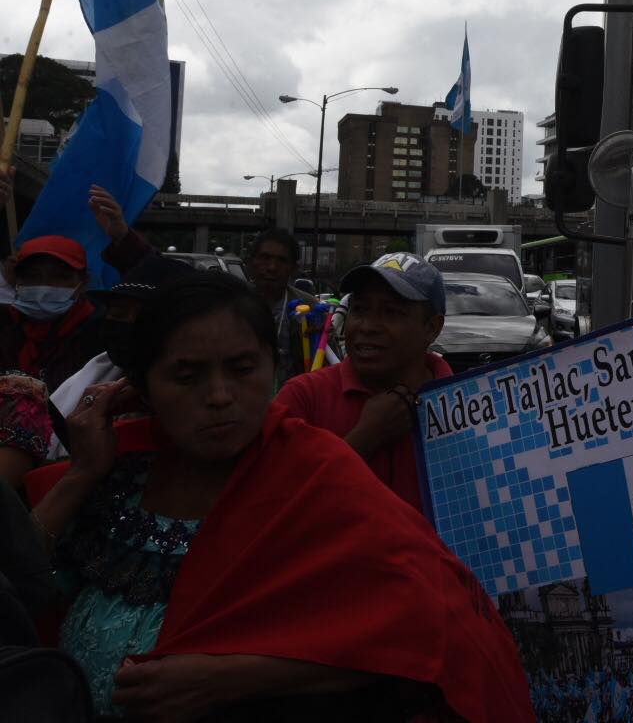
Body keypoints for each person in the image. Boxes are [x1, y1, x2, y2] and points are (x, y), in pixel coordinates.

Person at [26, 272, 530, 721]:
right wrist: (82, 475)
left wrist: (229, 678)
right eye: (187, 375)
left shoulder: (315, 475)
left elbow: (435, 629)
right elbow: (18, 586)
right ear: (140, 388)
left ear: (272, 366)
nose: (220, 395)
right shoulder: (113, 475)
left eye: (243, 368)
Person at [275, 252, 451, 513]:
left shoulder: (467, 408)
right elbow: (272, 508)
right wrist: (364, 439)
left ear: (432, 328)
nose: (367, 326)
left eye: (391, 312)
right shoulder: (304, 399)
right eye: (359, 309)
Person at [92, 188, 318, 386]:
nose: (271, 267)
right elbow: (164, 273)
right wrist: (122, 236)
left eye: (281, 260)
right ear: (249, 262)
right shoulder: (226, 301)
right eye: (265, 258)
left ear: (294, 268)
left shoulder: (310, 310)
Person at [47, 253, 194, 459]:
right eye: (118, 313)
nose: (129, 325)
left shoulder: (209, 406)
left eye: (147, 317)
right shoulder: (95, 373)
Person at [0, 236, 106, 489]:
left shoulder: (104, 334)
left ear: (81, 283)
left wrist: (123, 239)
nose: (45, 286)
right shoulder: (4, 325)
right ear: (16, 281)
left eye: (59, 277)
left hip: (70, 476)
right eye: (33, 276)